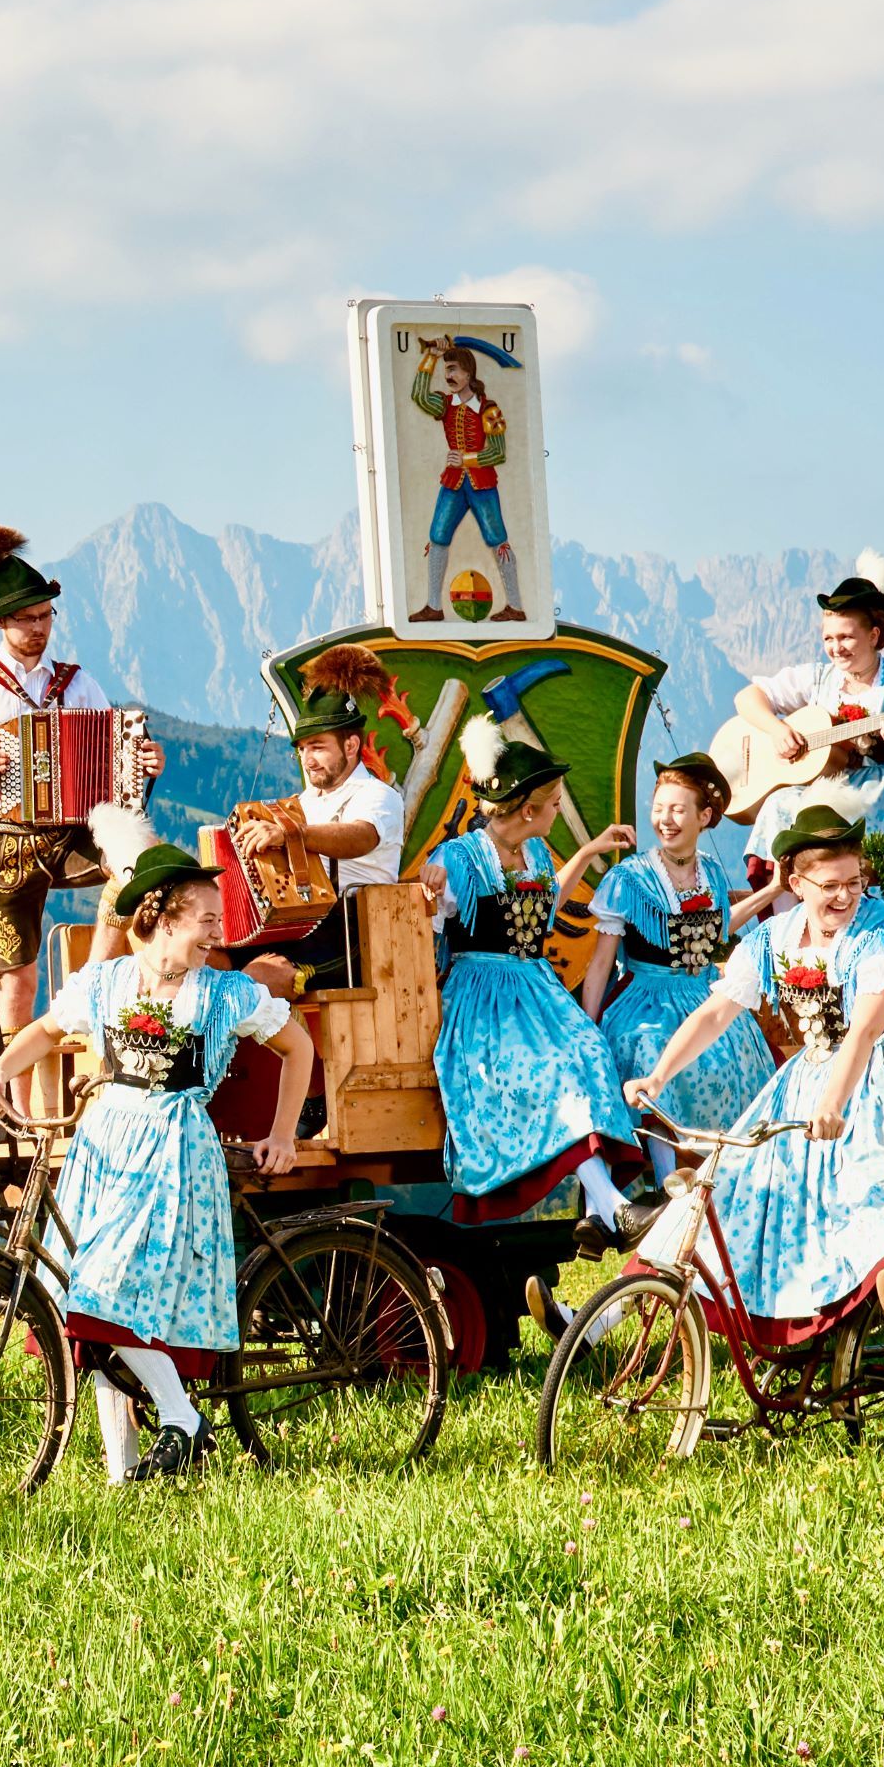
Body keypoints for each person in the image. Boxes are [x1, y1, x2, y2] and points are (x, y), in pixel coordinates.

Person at [0, 842, 314, 1484]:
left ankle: (181, 1417)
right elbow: (46, 1030)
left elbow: (297, 1049)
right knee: (88, 1305)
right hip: (102, 1148)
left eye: (218, 921)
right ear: (163, 919)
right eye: (206, 920)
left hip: (172, 1153)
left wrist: (283, 1135)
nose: (217, 934)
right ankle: (122, 1473)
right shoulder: (105, 982)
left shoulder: (225, 994)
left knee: (103, 1294)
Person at [628, 805, 884, 1354]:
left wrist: (833, 1102)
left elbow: (865, 1029)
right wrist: (657, 1076)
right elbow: (716, 1012)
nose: (845, 896)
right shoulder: (774, 937)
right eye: (830, 885)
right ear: (796, 883)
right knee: (731, 1185)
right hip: (807, 1078)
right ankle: (593, 1326)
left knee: (881, 1188)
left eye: (854, 882)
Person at [0, 525, 158, 1040]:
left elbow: (116, 753)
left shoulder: (78, 681)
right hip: (6, 842)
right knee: (17, 982)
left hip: (74, 832)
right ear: (1, 620)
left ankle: (94, 977)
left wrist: (143, 760)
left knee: (139, 863)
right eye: (27, 619)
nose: (38, 628)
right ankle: (17, 1089)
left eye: (45, 616)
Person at [420, 745, 639, 1232]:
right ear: (527, 811)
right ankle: (612, 1207)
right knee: (551, 1070)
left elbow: (544, 905)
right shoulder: (457, 858)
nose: (558, 811)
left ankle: (598, 1212)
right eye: (555, 803)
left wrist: (588, 851)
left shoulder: (535, 851)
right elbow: (423, 929)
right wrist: (427, 890)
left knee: (590, 1052)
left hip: (536, 988)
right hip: (483, 997)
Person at [583, 752, 769, 1141]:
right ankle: (667, 1166)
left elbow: (718, 930)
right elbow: (601, 963)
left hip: (701, 992)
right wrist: (587, 1028)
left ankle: (723, 1160)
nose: (665, 820)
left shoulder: (711, 871)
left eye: (678, 810)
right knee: (651, 1047)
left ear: (704, 816)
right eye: (659, 809)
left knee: (735, 1047)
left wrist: (773, 890)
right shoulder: (628, 877)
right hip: (645, 1001)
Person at [729, 563, 884, 859]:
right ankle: (786, 886)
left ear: (873, 636)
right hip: (822, 784)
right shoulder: (818, 678)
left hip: (881, 788)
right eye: (828, 639)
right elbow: (747, 698)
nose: (836, 647)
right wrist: (777, 730)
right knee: (777, 804)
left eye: (846, 637)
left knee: (836, 806)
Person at [249, 644, 414, 993]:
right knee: (209, 959)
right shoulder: (298, 804)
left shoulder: (378, 795)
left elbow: (360, 836)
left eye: (318, 747)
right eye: (303, 749)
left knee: (259, 977)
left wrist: (290, 834)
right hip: (297, 927)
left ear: (351, 746)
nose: (308, 760)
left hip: (353, 937)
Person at [407, 333, 526, 624]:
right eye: (446, 370)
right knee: (438, 537)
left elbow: (498, 453)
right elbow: (419, 396)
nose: (448, 375)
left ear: (468, 373)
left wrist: (466, 459)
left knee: (498, 540)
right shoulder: (446, 405)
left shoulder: (488, 409)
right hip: (453, 483)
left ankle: (515, 606)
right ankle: (433, 606)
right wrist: (430, 357)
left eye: (453, 370)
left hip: (482, 483)